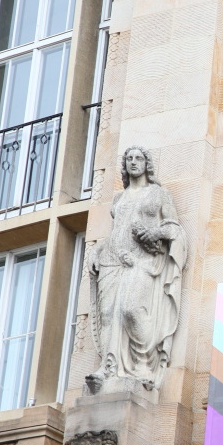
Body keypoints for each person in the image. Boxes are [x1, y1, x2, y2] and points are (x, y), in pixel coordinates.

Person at [86, 146, 187, 392]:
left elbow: (174, 229)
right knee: (108, 314)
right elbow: (116, 232)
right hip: (112, 259)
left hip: (142, 260)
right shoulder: (119, 198)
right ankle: (108, 367)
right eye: (129, 158)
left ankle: (143, 363)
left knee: (131, 308)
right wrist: (97, 251)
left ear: (146, 164)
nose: (133, 162)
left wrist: (154, 232)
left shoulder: (158, 194)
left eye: (138, 158)